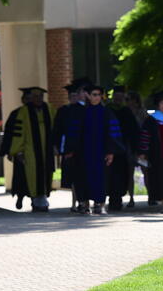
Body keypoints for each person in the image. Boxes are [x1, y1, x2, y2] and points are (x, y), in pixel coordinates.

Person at [64, 84, 123, 214]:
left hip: (100, 152)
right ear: (88, 96)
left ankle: (99, 204)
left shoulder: (107, 112)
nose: (97, 97)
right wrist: (70, 150)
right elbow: (73, 133)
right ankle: (84, 204)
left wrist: (111, 151)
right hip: (83, 152)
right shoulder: (80, 113)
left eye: (98, 95)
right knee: (82, 177)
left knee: (101, 178)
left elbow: (113, 134)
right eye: (94, 95)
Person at [6, 87, 56, 212]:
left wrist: (56, 146)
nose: (38, 99)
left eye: (40, 96)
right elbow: (19, 133)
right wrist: (18, 150)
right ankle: (36, 200)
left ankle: (42, 198)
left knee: (46, 173)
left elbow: (56, 129)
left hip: (46, 150)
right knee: (32, 175)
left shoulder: (50, 109)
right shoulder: (23, 112)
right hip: (30, 150)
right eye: (35, 96)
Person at [52, 79, 88, 212]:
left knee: (81, 177)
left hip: (81, 149)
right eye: (71, 96)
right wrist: (56, 146)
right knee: (72, 177)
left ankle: (82, 202)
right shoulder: (63, 111)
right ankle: (75, 202)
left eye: (75, 95)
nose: (74, 98)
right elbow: (56, 130)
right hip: (67, 148)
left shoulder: (84, 110)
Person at [106, 85, 140, 211]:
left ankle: (117, 199)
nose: (118, 99)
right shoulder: (107, 110)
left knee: (122, 175)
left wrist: (135, 148)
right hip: (109, 148)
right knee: (110, 175)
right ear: (113, 97)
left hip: (122, 148)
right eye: (116, 97)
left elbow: (134, 131)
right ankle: (111, 199)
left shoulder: (126, 111)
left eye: (121, 97)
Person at [0, 89, 32, 209]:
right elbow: (9, 133)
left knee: (34, 176)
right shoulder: (16, 114)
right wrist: (9, 151)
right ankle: (20, 198)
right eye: (27, 99)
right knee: (20, 177)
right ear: (22, 100)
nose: (29, 101)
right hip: (20, 152)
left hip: (34, 152)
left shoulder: (39, 112)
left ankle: (35, 200)